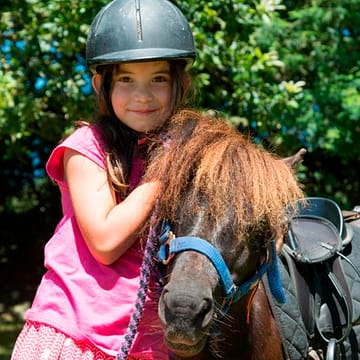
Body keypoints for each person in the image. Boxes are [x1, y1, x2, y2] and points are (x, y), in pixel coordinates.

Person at [11, 0, 195, 359]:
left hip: (150, 345)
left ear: (181, 84)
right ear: (101, 84)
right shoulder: (85, 148)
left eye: (158, 78)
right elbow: (106, 241)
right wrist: (166, 172)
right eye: (126, 79)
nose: (142, 94)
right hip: (76, 336)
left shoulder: (186, 152)